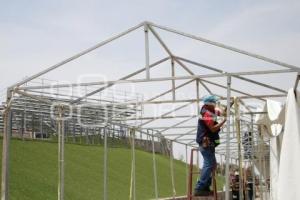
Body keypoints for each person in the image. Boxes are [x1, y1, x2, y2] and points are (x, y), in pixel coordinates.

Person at [194, 95, 230, 196]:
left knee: (212, 164)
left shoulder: (209, 111)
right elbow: (213, 128)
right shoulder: (206, 113)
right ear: (209, 105)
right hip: (206, 143)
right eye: (214, 104)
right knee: (209, 164)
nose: (215, 106)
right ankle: (200, 187)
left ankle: (205, 186)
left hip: (208, 143)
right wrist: (224, 120)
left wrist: (225, 110)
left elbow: (219, 112)